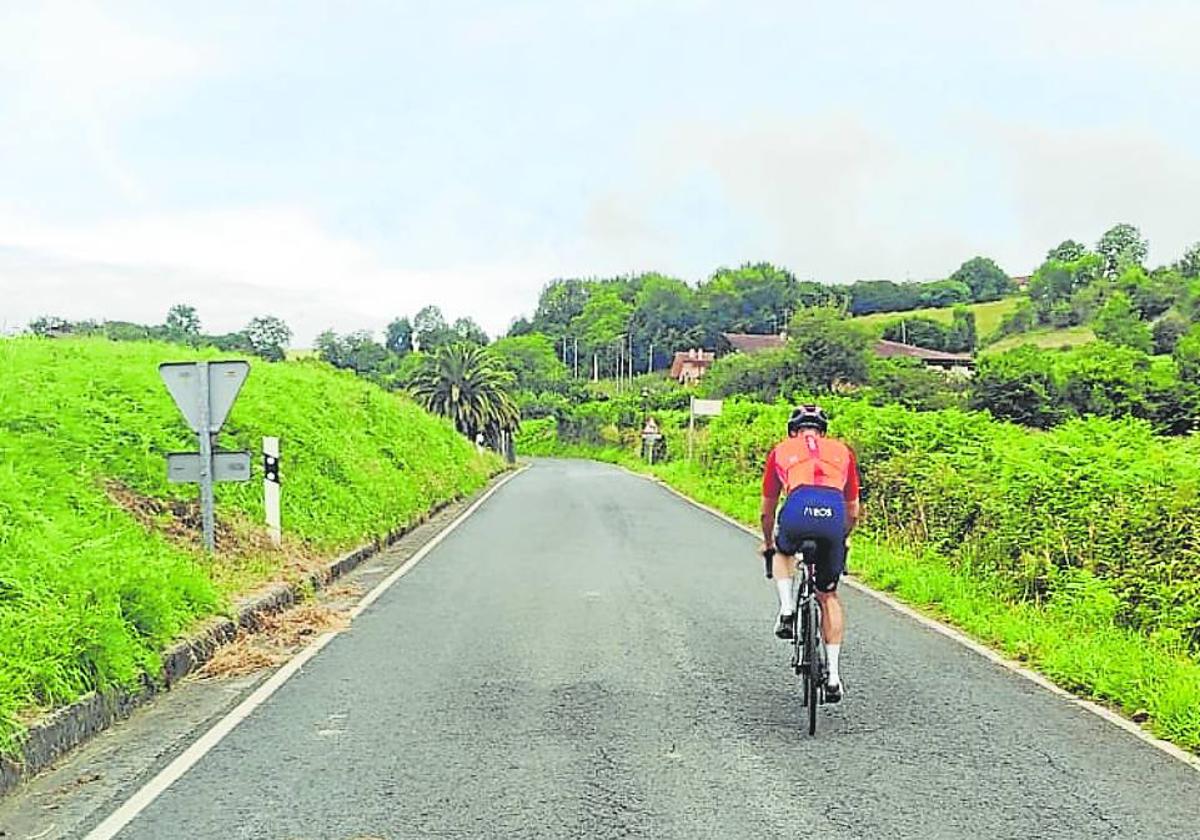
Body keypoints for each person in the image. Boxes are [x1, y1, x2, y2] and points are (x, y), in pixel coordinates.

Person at [760, 405, 860, 703]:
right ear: (823, 432)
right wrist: (842, 537)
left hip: (797, 506)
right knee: (828, 596)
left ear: (792, 431)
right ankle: (833, 676)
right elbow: (853, 510)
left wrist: (768, 542)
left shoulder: (781, 450)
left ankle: (788, 608)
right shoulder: (843, 451)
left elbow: (767, 510)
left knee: (782, 551)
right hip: (833, 514)